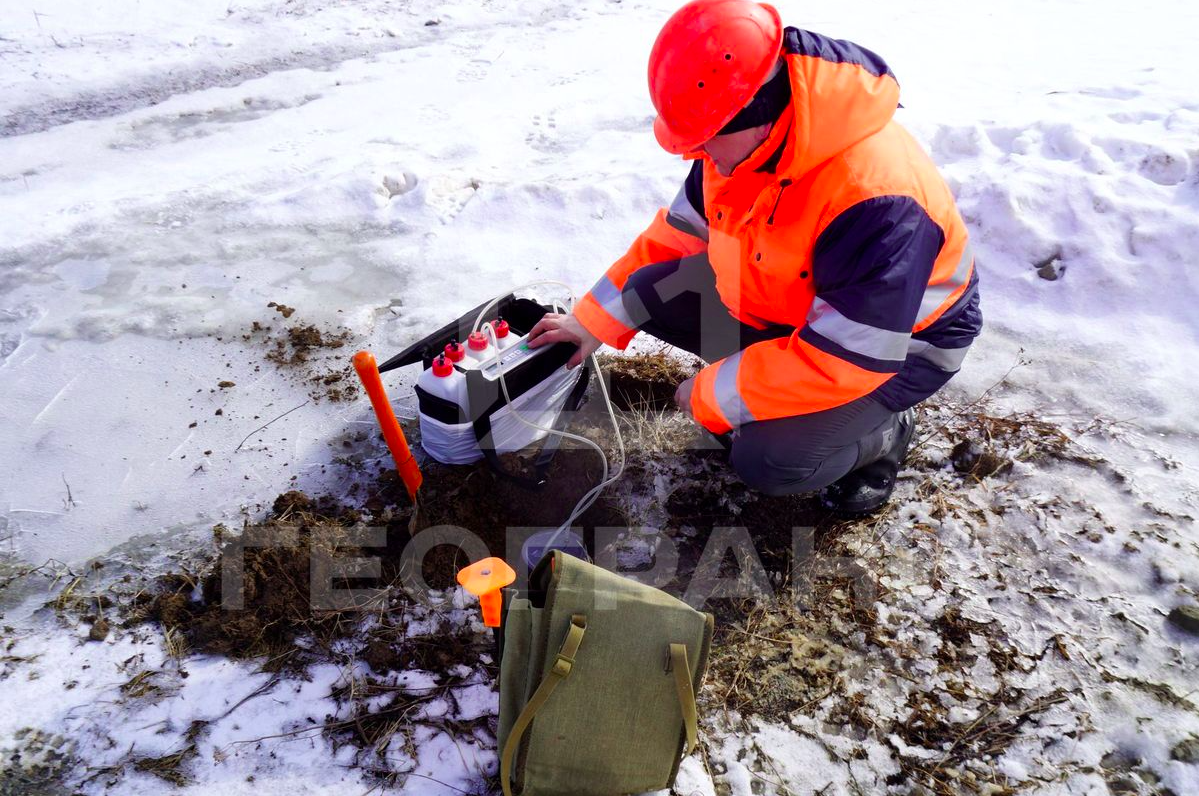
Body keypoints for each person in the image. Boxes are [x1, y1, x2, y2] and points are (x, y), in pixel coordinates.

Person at [527, 0, 982, 516]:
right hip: (796, 316)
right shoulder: (739, 150)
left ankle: (884, 434)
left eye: (703, 137)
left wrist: (714, 396)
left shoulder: (876, 199)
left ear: (756, 111)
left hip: (894, 354)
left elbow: (848, 357)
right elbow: (675, 240)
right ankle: (774, 391)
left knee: (767, 459)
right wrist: (588, 324)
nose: (694, 154)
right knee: (653, 289)